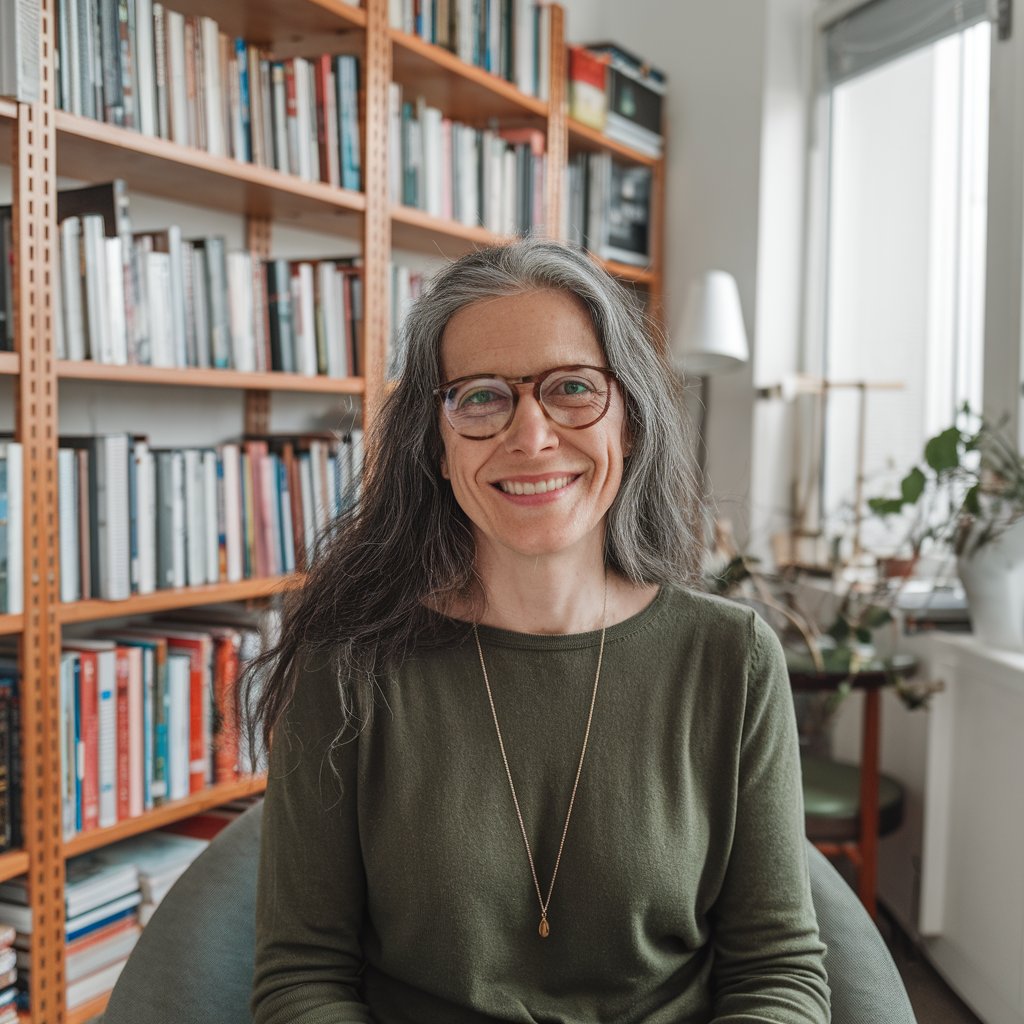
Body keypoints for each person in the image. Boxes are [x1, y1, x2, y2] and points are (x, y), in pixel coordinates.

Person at [246, 238, 830, 1024]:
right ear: (437, 443)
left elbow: (778, 972)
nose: (531, 436)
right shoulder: (347, 663)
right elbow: (302, 978)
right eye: (482, 396)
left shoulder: (732, 659)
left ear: (628, 420)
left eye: (572, 388)